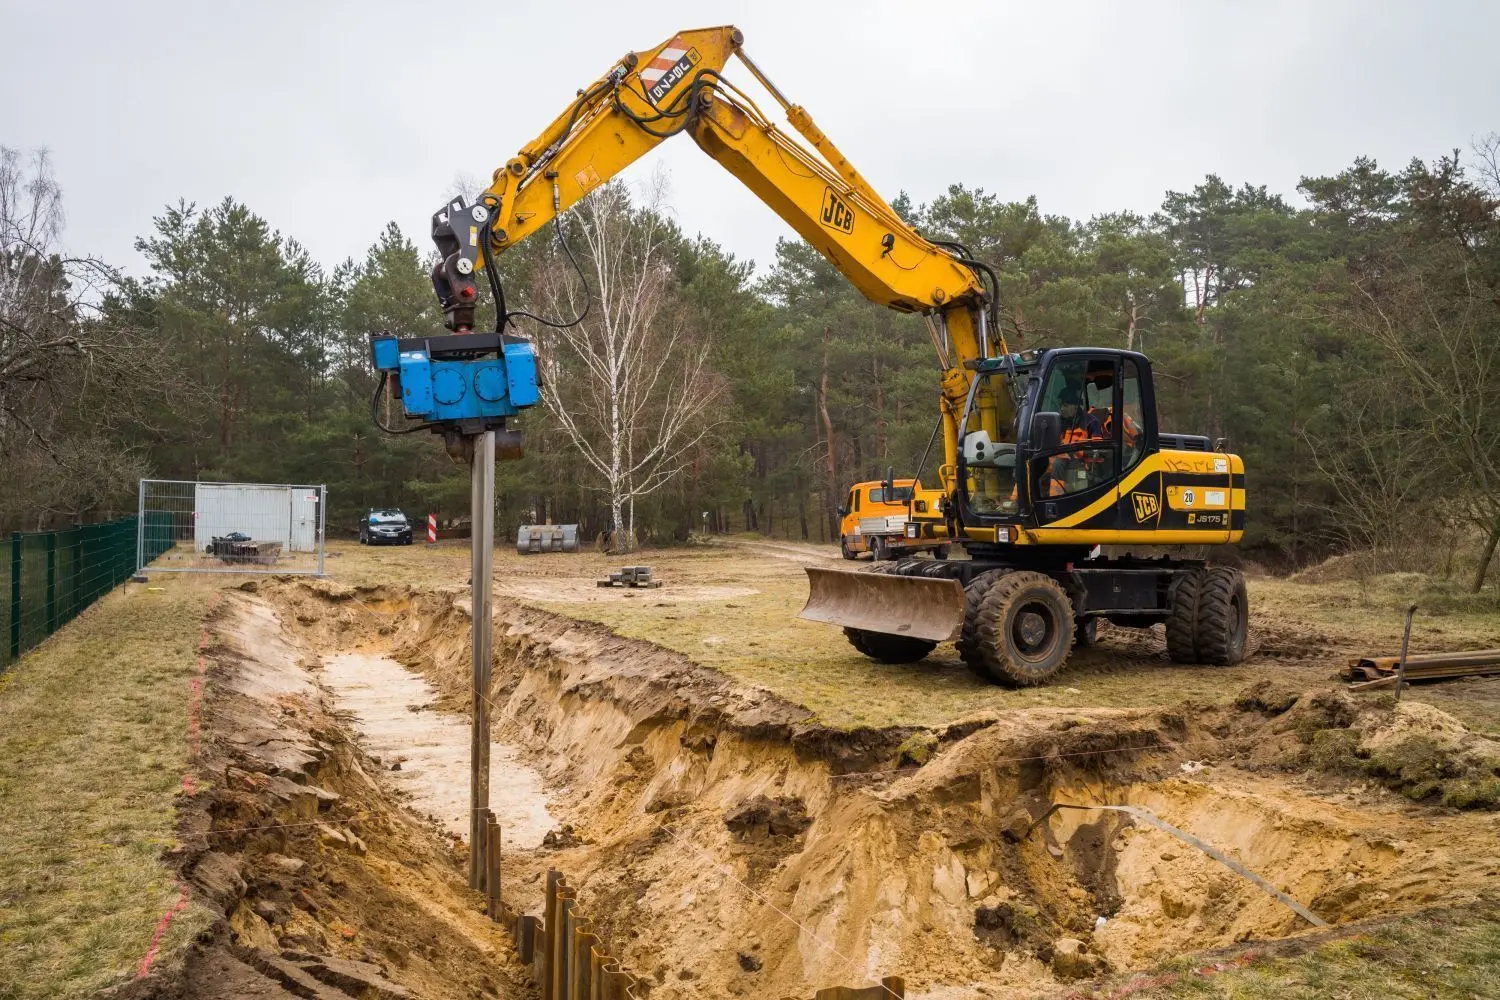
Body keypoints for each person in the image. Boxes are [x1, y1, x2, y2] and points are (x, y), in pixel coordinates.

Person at [1048, 384, 1105, 496]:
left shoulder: (1091, 422)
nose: (1061, 408)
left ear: (1075, 406)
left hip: (1080, 461)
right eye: (1061, 405)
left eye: (1065, 405)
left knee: (1058, 463)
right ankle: (1017, 500)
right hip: (1059, 457)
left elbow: (1096, 449)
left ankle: (1056, 497)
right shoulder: (1059, 421)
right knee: (1032, 462)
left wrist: (1074, 451)